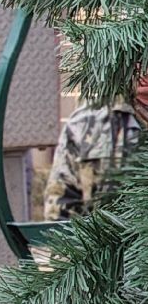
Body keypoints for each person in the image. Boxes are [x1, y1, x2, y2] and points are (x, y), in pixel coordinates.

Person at [42, 69, 148, 220]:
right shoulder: (89, 121)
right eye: (139, 55)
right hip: (106, 241)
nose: (144, 65)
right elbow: (60, 214)